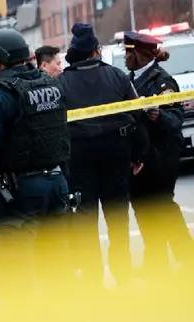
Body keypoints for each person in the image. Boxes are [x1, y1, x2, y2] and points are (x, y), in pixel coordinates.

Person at [0, 29, 71, 297]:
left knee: (13, 271)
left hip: (21, 192)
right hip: (57, 185)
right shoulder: (50, 85)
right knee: (54, 267)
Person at [58, 23, 147, 287]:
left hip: (79, 157)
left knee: (85, 221)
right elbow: (138, 113)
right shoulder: (117, 76)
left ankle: (93, 280)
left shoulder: (61, 82)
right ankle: (123, 274)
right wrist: (139, 153)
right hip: (116, 153)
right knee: (118, 218)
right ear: (96, 50)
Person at [123, 30, 194, 280]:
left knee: (163, 208)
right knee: (143, 208)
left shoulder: (162, 81)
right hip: (140, 158)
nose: (124, 57)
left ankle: (184, 257)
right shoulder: (129, 79)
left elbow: (176, 120)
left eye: (128, 53)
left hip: (161, 156)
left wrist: (159, 116)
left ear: (140, 55)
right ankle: (157, 260)